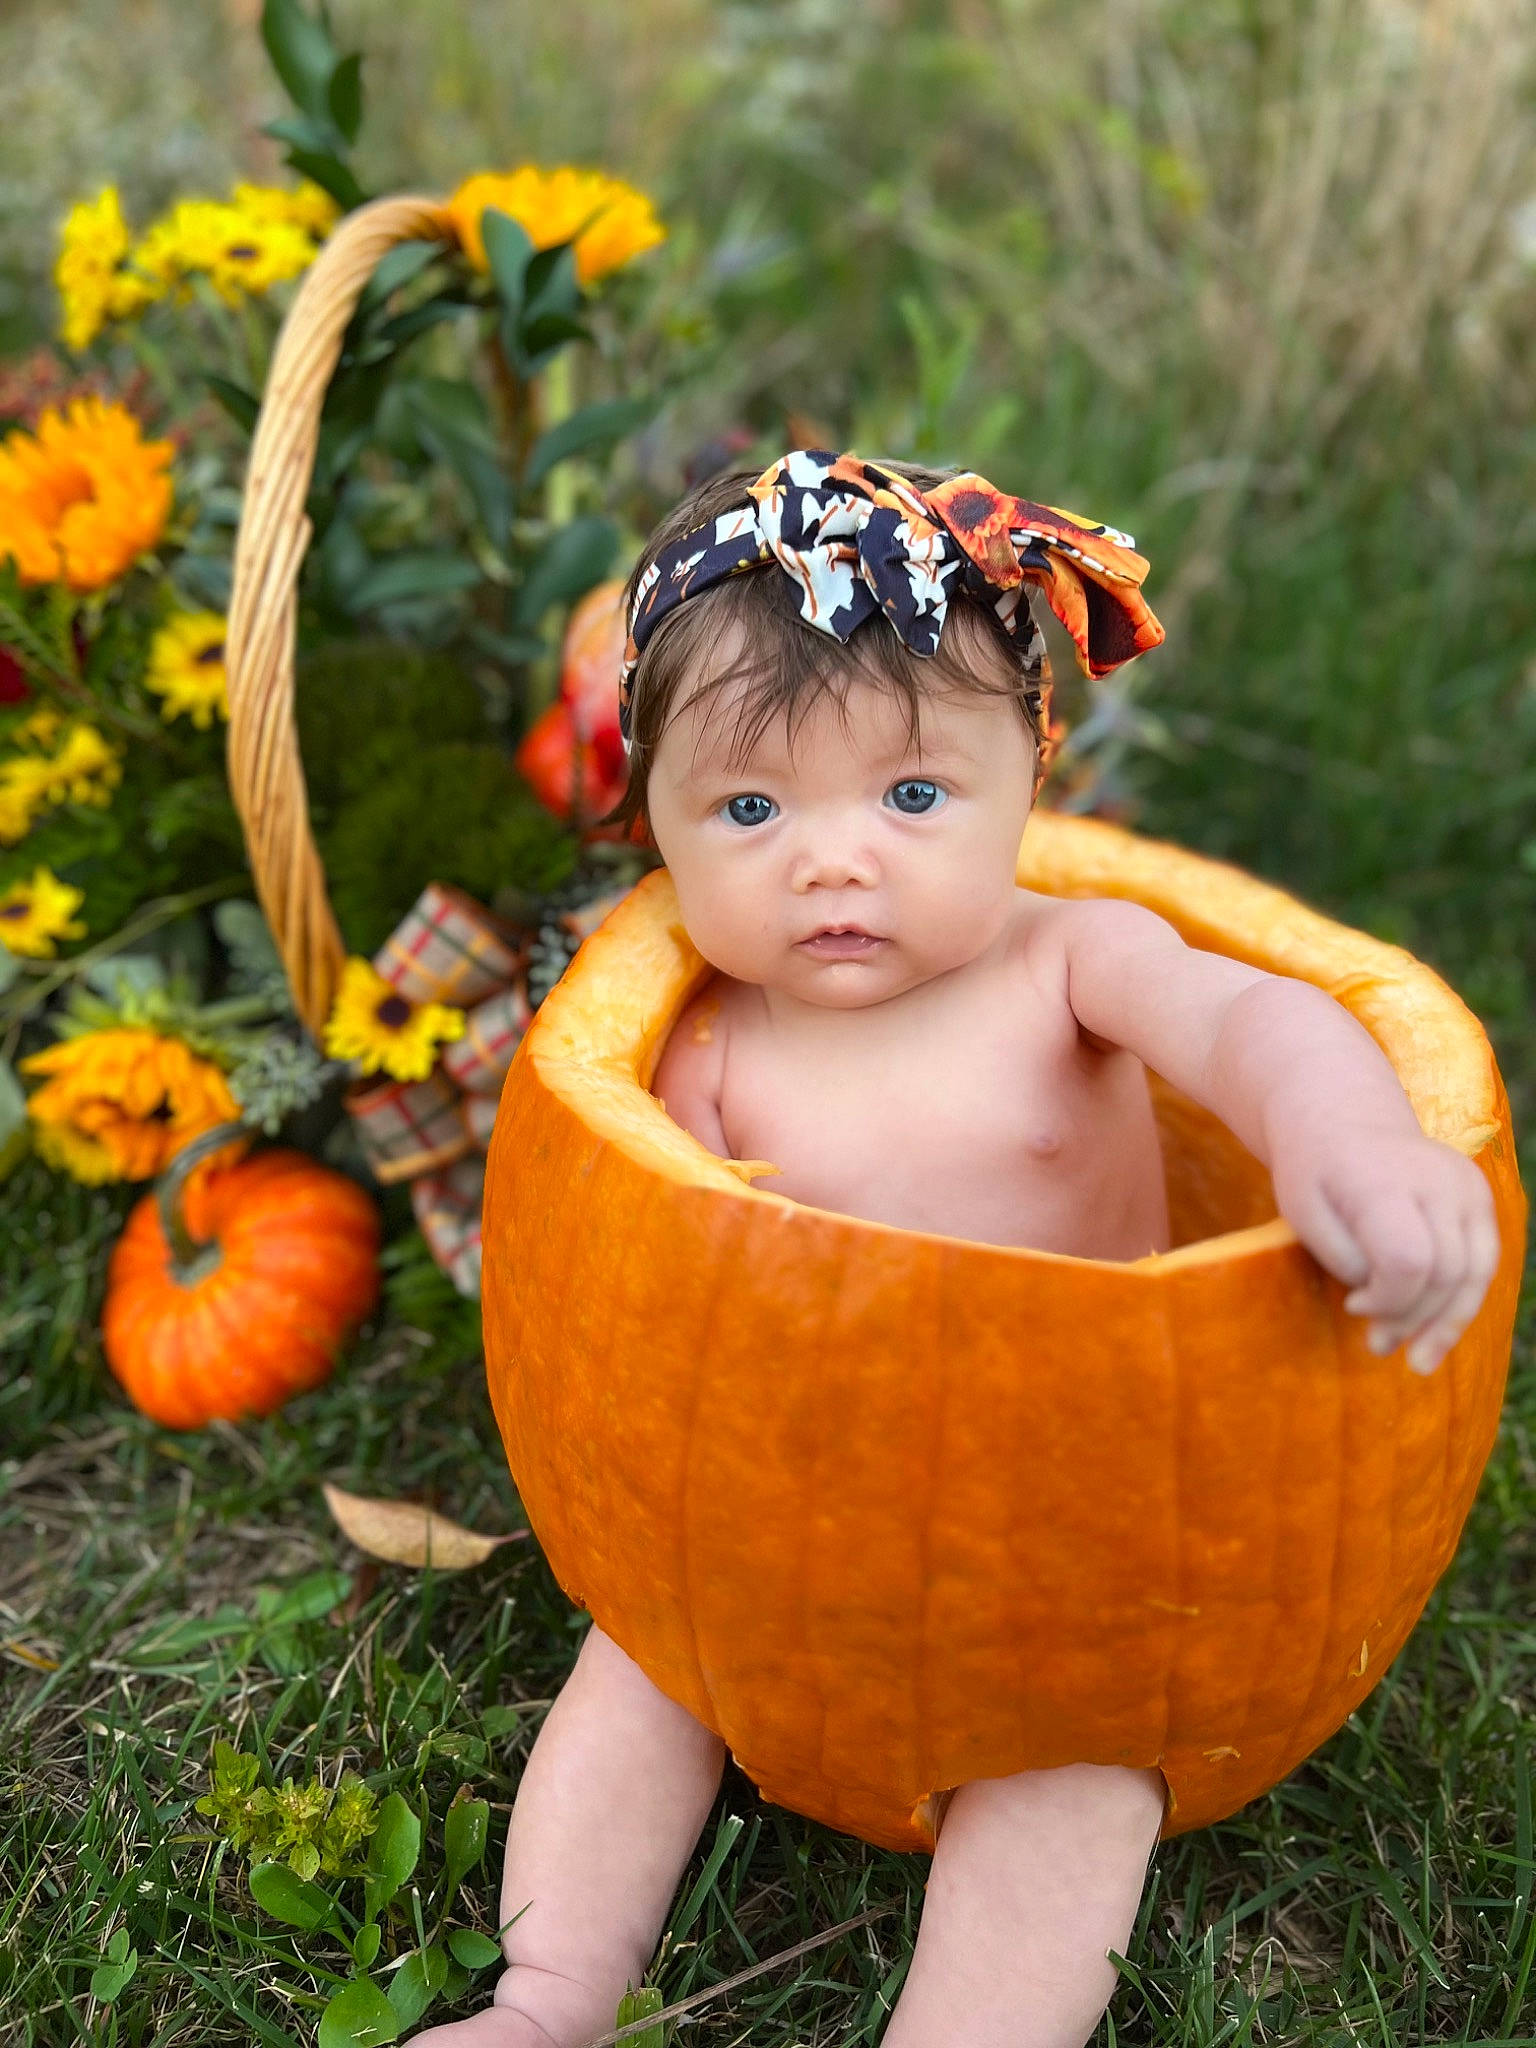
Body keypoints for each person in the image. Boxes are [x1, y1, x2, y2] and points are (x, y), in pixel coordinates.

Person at [421, 451, 1500, 2048]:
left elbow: (1259, 1022)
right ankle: (548, 1994)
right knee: (646, 1670)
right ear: (654, 823)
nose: (834, 859)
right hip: (778, 1534)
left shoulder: (1075, 962)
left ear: (1028, 784)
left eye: (913, 796)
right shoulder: (700, 1055)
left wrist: (1347, 1140)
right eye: (750, 806)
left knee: (1069, 1790)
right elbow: (657, 1294)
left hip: (1092, 1544)